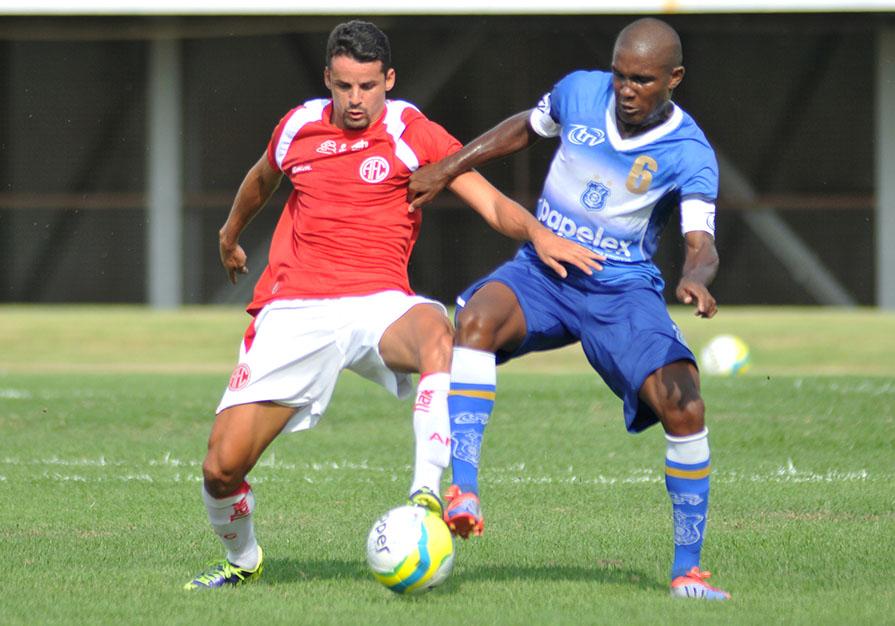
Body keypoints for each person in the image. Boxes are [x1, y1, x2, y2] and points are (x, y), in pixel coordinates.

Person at [183, 20, 601, 590]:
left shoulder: (412, 131)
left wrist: (537, 232)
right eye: (345, 86)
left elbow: (489, 201)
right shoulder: (298, 126)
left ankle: (426, 492)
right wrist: (230, 233)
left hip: (379, 304)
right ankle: (244, 558)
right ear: (327, 79)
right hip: (295, 308)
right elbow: (262, 178)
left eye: (368, 86)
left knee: (439, 332)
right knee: (221, 468)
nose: (356, 99)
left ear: (390, 80)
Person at [407, 18, 729, 600]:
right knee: (475, 319)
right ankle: (465, 491)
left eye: (642, 80)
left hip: (620, 293)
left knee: (686, 407)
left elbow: (701, 240)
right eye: (620, 74)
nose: (626, 89)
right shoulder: (579, 91)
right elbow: (523, 128)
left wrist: (696, 277)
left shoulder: (690, 152)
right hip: (544, 271)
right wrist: (450, 166)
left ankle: (688, 572)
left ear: (674, 78)